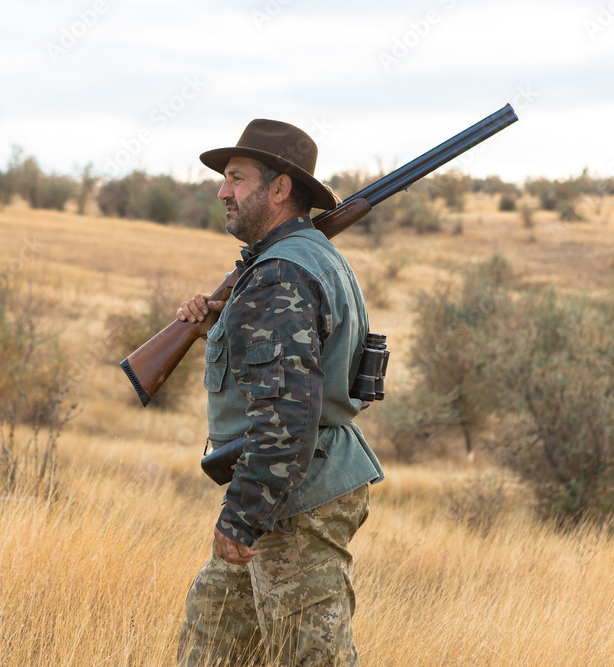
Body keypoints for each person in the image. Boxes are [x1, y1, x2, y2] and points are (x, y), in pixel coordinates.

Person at [175, 119, 385, 666]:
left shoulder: (280, 275)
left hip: (291, 502)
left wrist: (242, 515)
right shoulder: (299, 262)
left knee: (310, 658)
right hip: (285, 491)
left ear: (280, 189)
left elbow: (285, 416)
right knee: (213, 639)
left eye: (236, 178)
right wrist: (226, 317)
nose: (223, 191)